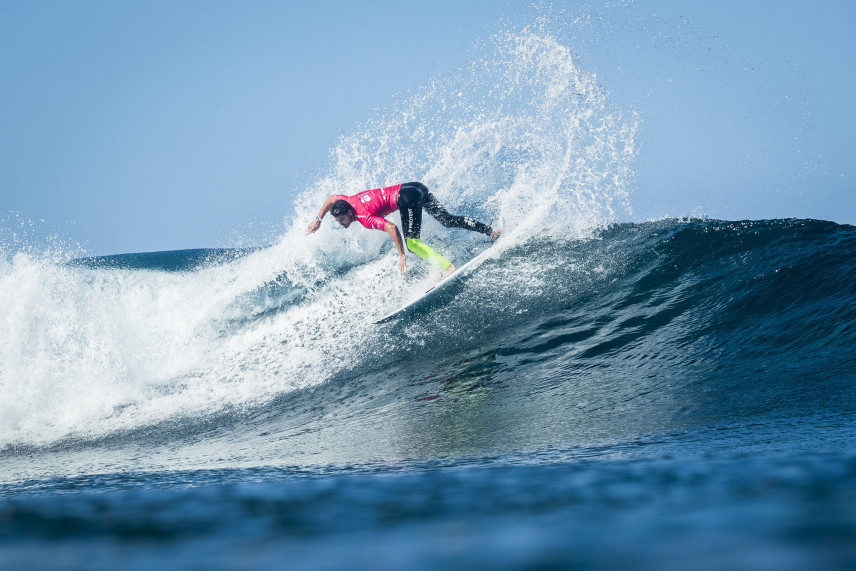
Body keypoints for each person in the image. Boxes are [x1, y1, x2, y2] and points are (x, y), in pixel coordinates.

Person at [304, 182, 500, 277]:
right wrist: (318, 219)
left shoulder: (364, 218)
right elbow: (331, 199)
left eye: (342, 219)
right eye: (337, 220)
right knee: (447, 220)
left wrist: (401, 254)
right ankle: (492, 231)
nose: (341, 223)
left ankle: (449, 268)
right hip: (415, 187)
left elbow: (391, 227)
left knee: (413, 244)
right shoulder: (347, 200)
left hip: (407, 198)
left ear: (349, 212)